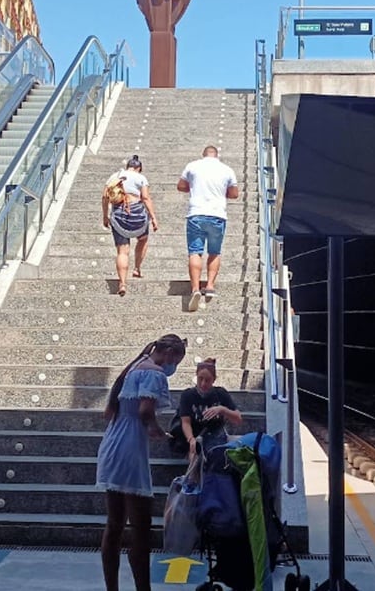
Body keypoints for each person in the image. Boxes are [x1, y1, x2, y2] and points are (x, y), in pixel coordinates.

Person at [96, 334, 188, 591]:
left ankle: (112, 588)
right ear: (168, 353)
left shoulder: (134, 367)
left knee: (114, 524)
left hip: (113, 443)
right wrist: (157, 431)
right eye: (176, 361)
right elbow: (145, 412)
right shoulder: (155, 373)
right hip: (130, 449)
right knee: (141, 526)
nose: (173, 368)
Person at [177, 145, 239, 311]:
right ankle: (210, 286)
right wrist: (220, 193)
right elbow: (234, 194)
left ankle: (195, 288)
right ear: (217, 156)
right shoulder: (227, 170)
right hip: (217, 215)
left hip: (196, 214)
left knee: (195, 251)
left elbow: (181, 186)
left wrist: (195, 187)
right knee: (214, 251)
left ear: (203, 155)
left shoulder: (192, 166)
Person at [101, 155, 159, 296]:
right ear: (139, 168)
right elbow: (145, 198)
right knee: (143, 238)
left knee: (122, 251)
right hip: (137, 213)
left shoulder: (115, 176)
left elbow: (105, 197)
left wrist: (105, 216)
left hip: (119, 213)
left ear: (128, 166)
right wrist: (153, 217)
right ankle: (137, 268)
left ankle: (122, 283)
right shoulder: (141, 178)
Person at [176, 358, 242, 465]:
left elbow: (238, 419)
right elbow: (185, 421)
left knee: (214, 454)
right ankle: (193, 478)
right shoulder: (187, 395)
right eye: (200, 379)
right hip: (195, 432)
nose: (203, 384)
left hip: (215, 432)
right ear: (196, 376)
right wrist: (190, 438)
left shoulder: (221, 393)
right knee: (195, 453)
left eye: (208, 380)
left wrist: (223, 410)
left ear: (214, 379)